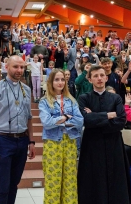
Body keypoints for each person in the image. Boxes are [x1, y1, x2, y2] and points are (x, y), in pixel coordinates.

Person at [77, 65, 131, 204]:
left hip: (113, 143)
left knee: (116, 177)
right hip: (92, 143)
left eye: (102, 75)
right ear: (90, 80)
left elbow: (121, 121)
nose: (99, 78)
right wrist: (108, 115)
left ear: (107, 78)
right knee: (93, 177)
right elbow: (85, 120)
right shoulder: (84, 98)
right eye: (95, 76)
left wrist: (95, 118)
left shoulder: (116, 98)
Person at [0, 55, 35, 204]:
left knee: (14, 184)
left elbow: (29, 117)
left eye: (22, 67)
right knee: (2, 186)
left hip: (22, 140)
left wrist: (31, 141)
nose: (19, 70)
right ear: (6, 67)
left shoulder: (26, 89)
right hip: (3, 140)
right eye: (15, 67)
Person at [38, 69, 83, 204]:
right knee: (53, 180)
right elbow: (46, 123)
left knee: (70, 179)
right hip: (53, 142)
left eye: (62, 79)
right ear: (51, 82)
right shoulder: (44, 101)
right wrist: (66, 118)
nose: (60, 82)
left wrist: (59, 121)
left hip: (70, 141)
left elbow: (80, 121)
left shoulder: (71, 100)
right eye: (57, 79)